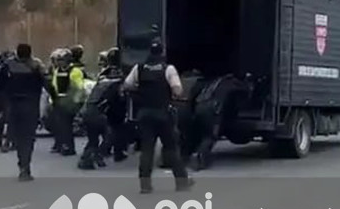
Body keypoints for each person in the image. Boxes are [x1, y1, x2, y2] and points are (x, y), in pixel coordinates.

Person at [123, 38, 193, 194]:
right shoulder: (168, 69)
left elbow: (127, 85)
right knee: (171, 148)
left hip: (144, 114)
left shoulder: (139, 68)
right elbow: (177, 90)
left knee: (147, 150)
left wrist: (141, 90)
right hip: (163, 114)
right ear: (162, 52)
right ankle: (182, 182)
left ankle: (145, 185)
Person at [0, 43, 52, 180]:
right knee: (28, 139)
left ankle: (21, 164)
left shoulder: (8, 65)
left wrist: (1, 102)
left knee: (18, 137)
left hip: (13, 105)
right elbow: (48, 83)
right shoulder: (36, 65)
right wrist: (54, 97)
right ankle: (25, 167)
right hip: (31, 106)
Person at [77, 50, 126, 170]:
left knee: (93, 138)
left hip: (88, 110)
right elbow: (119, 99)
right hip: (98, 113)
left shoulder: (103, 78)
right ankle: (96, 155)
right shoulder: (116, 83)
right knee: (110, 135)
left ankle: (87, 159)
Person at [189, 74, 248, 171]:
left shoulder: (215, 82)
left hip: (200, 108)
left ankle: (192, 152)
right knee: (210, 136)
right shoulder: (233, 83)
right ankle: (199, 157)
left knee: (202, 133)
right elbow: (243, 94)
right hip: (212, 111)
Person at [51, 48, 86, 156]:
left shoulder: (75, 71)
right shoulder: (57, 71)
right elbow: (54, 85)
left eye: (62, 60)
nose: (60, 62)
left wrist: (75, 100)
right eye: (58, 60)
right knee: (59, 124)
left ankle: (69, 147)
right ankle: (61, 144)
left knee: (66, 124)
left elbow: (79, 87)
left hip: (70, 101)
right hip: (59, 100)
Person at [0, 50, 15, 152]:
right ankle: (0, 141)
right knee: (2, 120)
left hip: (11, 96)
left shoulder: (15, 69)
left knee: (10, 120)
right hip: (4, 96)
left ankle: (9, 143)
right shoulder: (1, 70)